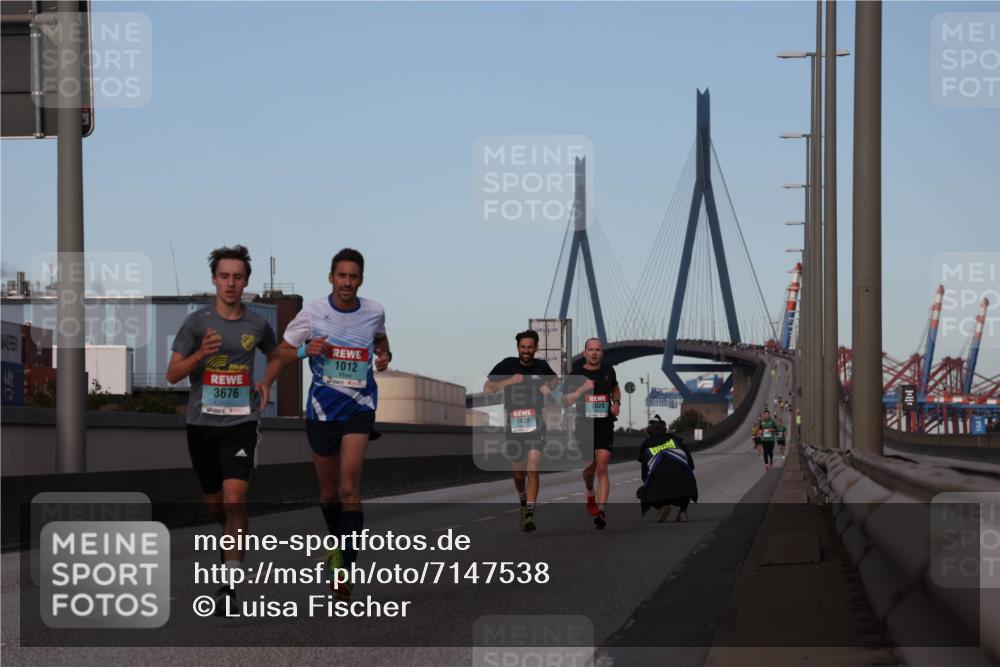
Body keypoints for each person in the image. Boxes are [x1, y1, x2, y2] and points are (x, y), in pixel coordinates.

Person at [261, 248, 390, 600]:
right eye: (342, 276)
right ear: (331, 277)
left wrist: (384, 355)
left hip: (359, 407)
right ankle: (336, 544)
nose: (347, 282)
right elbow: (281, 353)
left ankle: (344, 565)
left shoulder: (374, 311)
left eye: (354, 276)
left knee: (350, 487)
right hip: (321, 410)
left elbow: (380, 337)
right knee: (330, 492)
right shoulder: (313, 313)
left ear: (361, 280)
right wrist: (306, 351)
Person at [167, 245, 280, 615]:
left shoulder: (257, 325)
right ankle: (233, 527)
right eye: (225, 276)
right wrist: (201, 355)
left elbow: (278, 354)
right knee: (217, 505)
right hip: (201, 425)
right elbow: (172, 375)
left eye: (238, 277)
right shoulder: (196, 323)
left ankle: (228, 587)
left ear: (246, 282)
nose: (231, 283)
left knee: (235, 499)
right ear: (215, 279)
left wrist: (266, 380)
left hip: (241, 423)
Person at [484, 330, 558, 533]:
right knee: (518, 474)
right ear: (518, 348)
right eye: (523, 347)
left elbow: (555, 380)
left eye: (530, 347)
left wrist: (548, 388)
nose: (526, 351)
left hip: (536, 422)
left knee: (533, 467)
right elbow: (487, 388)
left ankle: (530, 514)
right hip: (514, 423)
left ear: (535, 348)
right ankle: (523, 500)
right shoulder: (507, 364)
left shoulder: (541, 366)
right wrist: (509, 381)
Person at [563, 338, 620, 529]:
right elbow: (566, 401)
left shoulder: (608, 371)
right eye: (591, 350)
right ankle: (589, 491)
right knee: (590, 468)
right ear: (585, 352)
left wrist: (616, 403)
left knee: (602, 467)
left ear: (602, 353)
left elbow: (615, 388)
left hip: (604, 425)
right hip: (584, 426)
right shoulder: (576, 373)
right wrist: (582, 389)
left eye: (598, 350)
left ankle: (601, 510)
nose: (594, 353)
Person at [636, 416, 697, 523]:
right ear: (665, 429)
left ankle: (662, 506)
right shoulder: (676, 440)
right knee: (687, 479)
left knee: (641, 492)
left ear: (649, 431)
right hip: (683, 492)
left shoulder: (647, 444)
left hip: (659, 493)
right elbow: (690, 465)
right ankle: (683, 511)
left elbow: (645, 474)